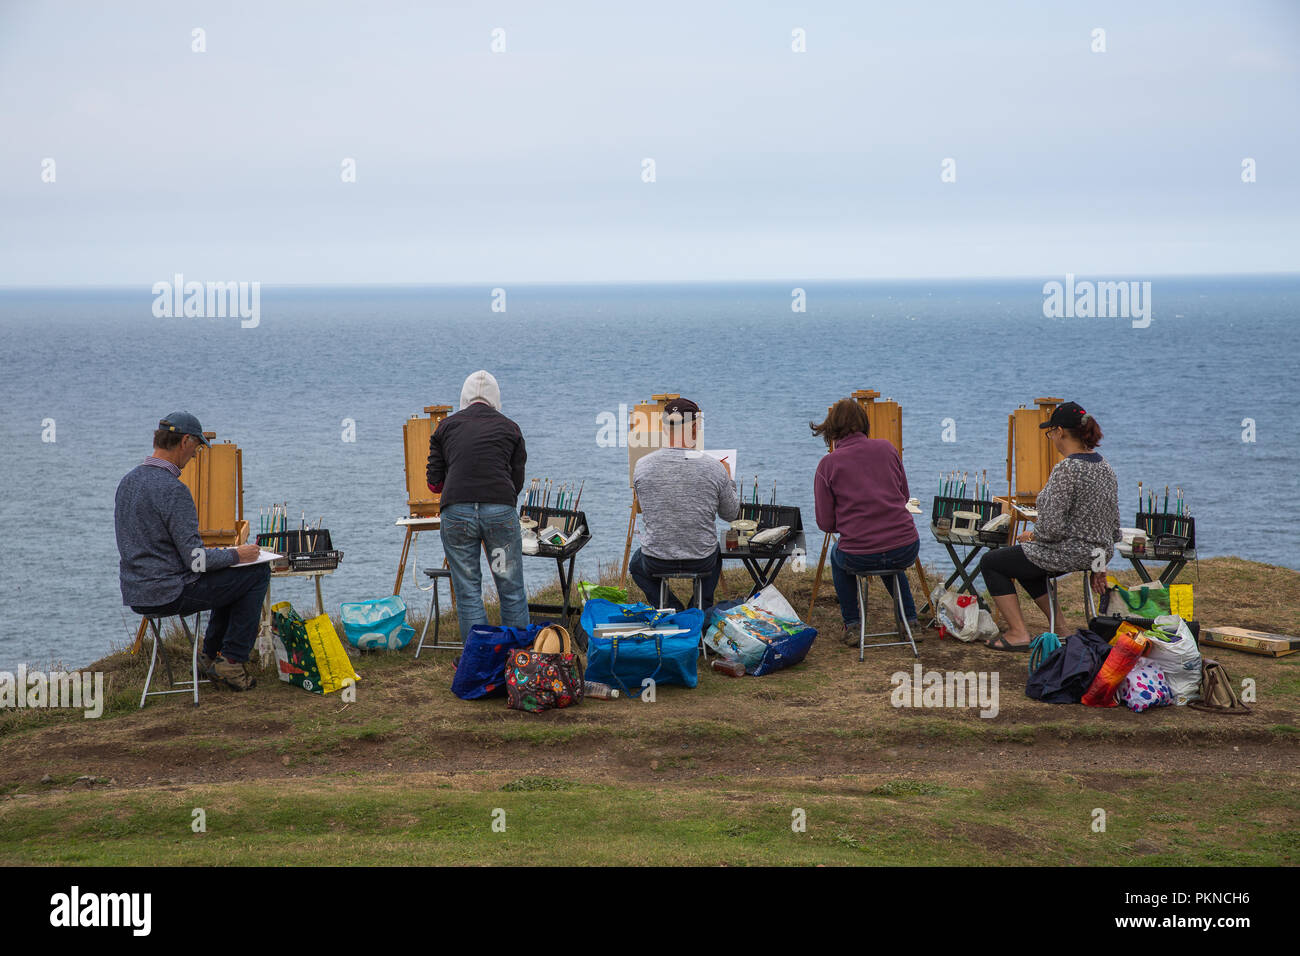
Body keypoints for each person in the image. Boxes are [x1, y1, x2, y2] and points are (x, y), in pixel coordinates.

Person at [115, 411, 270, 691]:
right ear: (185, 441)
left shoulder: (128, 482)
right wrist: (239, 554)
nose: (196, 456)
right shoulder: (173, 490)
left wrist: (225, 559)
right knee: (256, 572)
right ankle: (231, 661)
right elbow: (196, 562)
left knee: (228, 573)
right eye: (197, 448)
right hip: (169, 592)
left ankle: (210, 657)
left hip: (137, 592)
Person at [978, 401, 1120, 651]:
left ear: (1060, 432)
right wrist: (1099, 564)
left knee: (992, 562)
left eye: (1050, 432)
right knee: (1024, 562)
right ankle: (1062, 629)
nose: (1050, 437)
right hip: (1096, 553)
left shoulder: (1067, 468)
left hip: (1069, 553)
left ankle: (1018, 633)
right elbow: (1112, 526)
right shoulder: (1104, 466)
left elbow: (1051, 529)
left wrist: (1033, 535)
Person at [427, 370, 529, 640]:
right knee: (510, 586)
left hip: (457, 513)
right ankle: (518, 660)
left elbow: (434, 484)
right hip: (499, 512)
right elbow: (516, 481)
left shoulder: (445, 427)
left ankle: (481, 659)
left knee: (469, 589)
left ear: (464, 397)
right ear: (496, 398)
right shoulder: (510, 428)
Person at [811, 398, 920, 645]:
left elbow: (826, 523)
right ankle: (910, 620)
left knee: (839, 556)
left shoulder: (827, 464)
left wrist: (854, 521)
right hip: (906, 548)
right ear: (863, 423)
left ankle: (852, 625)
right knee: (889, 555)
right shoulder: (887, 448)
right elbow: (904, 496)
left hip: (860, 555)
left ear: (831, 429)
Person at [629, 397, 739, 611]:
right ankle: (697, 610)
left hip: (656, 560)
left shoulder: (641, 466)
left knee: (636, 565)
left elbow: (644, 508)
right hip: (701, 560)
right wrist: (729, 479)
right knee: (713, 554)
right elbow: (731, 514)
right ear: (695, 428)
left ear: (664, 427)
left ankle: (673, 610)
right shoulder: (714, 468)